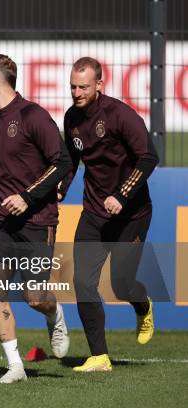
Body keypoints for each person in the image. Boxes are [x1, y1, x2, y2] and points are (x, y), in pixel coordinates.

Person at [0, 54, 71, 384]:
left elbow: (61, 162)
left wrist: (28, 196)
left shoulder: (34, 116)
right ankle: (15, 366)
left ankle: (55, 315)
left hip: (38, 220)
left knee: (35, 297)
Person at [58, 57, 158, 372]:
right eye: (73, 86)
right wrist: (60, 189)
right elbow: (71, 161)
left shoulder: (120, 115)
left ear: (100, 85)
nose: (76, 92)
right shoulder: (71, 117)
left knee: (121, 284)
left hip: (132, 214)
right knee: (83, 281)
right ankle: (99, 356)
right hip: (94, 213)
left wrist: (122, 194)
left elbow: (148, 158)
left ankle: (143, 305)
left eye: (83, 87)